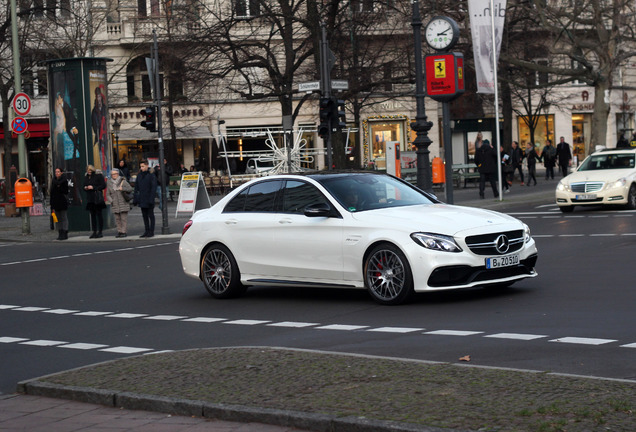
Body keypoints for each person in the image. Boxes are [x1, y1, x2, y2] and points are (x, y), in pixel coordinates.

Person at [106, 169, 133, 238]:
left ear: (118, 174)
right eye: (112, 174)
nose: (113, 175)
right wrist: (111, 201)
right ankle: (120, 231)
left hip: (123, 202)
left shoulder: (123, 181)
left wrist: (123, 188)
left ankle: (124, 232)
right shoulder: (109, 183)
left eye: (115, 174)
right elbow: (108, 194)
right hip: (114, 203)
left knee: (123, 218)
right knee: (117, 219)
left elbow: (130, 189)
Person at [134, 160, 157, 238]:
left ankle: (151, 231)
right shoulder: (139, 175)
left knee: (151, 215)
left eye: (143, 166)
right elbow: (136, 187)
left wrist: (151, 198)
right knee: (144, 216)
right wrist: (136, 198)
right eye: (140, 166)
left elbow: (153, 188)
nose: (141, 168)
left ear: (147, 166)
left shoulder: (151, 175)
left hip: (149, 198)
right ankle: (146, 230)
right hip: (142, 198)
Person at [83, 165, 106, 238]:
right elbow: (84, 185)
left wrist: (94, 188)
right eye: (87, 170)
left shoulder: (98, 176)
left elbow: (103, 185)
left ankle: (100, 231)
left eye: (90, 171)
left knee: (99, 214)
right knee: (92, 215)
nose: (89, 172)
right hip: (90, 198)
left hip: (97, 197)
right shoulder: (86, 177)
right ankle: (94, 231)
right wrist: (85, 187)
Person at [50, 167, 69, 240]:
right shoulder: (53, 181)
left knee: (63, 217)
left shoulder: (64, 181)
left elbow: (65, 191)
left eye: (58, 172)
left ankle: (65, 232)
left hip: (62, 201)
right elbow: (52, 192)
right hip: (55, 202)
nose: (57, 173)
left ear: (61, 173)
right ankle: (60, 232)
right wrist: (52, 204)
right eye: (56, 172)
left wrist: (59, 187)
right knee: (57, 218)